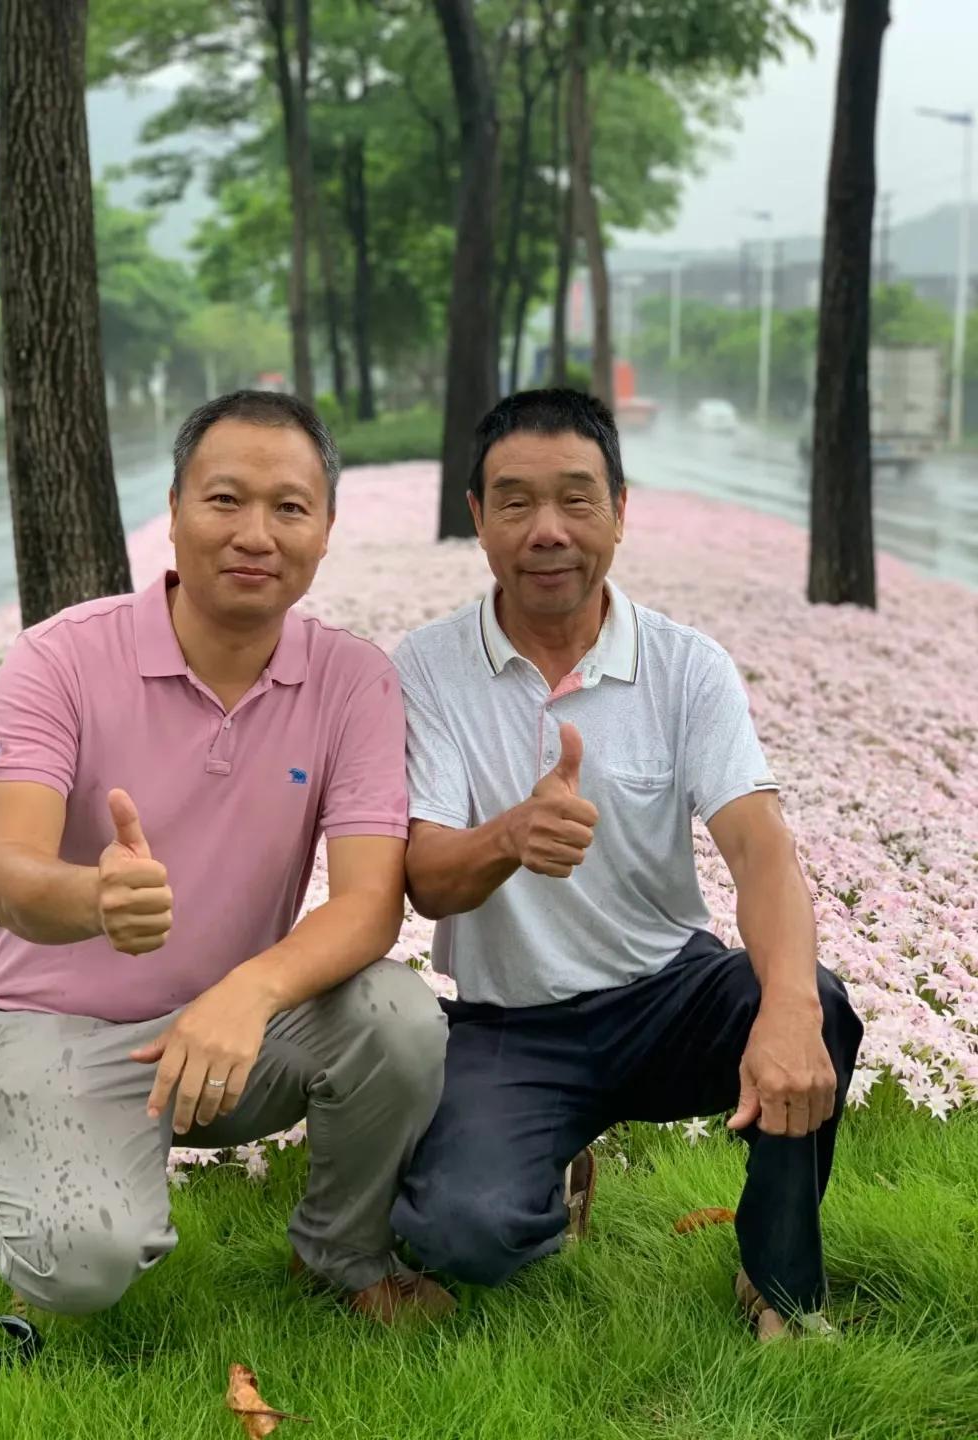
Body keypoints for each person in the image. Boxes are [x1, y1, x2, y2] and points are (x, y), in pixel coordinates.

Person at [0, 390, 453, 1324]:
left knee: (397, 1015)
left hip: (237, 1035)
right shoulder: (59, 660)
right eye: (225, 500)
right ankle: (65, 1175)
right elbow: (7, 873)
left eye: (289, 508)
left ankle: (343, 1257)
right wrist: (93, 896)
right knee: (81, 1268)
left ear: (325, 529)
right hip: (63, 1025)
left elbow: (367, 906)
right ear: (177, 509)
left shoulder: (352, 679)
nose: (255, 534)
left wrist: (250, 992)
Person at [389, 388, 863, 1339]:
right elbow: (427, 878)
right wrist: (509, 838)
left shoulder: (686, 666)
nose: (548, 531)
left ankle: (777, 1277)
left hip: (664, 998)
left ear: (620, 510)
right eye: (515, 503)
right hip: (507, 1025)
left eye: (577, 498)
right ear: (478, 518)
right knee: (464, 1235)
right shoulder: (427, 668)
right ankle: (548, 1169)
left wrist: (788, 1011)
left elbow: (760, 849)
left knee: (817, 1005)